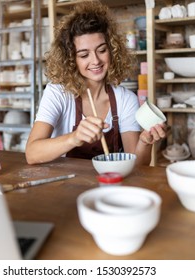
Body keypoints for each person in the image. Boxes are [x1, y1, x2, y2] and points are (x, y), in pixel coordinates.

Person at [25, 0, 167, 165]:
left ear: (112, 50)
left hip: (109, 183)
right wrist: (74, 137)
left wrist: (144, 142)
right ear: (71, 59)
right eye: (84, 55)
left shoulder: (125, 99)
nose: (96, 61)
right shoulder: (58, 93)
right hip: (66, 186)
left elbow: (136, 167)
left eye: (102, 50)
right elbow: (31, 154)